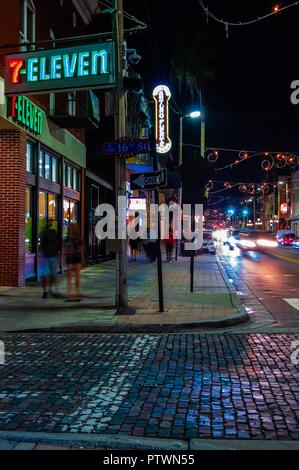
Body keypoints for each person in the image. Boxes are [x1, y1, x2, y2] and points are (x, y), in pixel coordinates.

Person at [40, 219, 61, 299]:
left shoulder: (42, 233)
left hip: (46, 256)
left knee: (45, 275)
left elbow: (41, 245)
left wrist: (43, 251)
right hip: (53, 255)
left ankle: (45, 291)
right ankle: (51, 289)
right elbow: (59, 243)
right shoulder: (54, 232)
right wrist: (58, 251)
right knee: (53, 274)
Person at [65, 224, 84, 301]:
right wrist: (82, 259)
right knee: (77, 277)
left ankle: (70, 292)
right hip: (76, 259)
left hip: (71, 259)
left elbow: (65, 248)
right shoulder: (78, 239)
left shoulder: (68, 239)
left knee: (71, 277)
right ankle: (77, 292)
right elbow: (81, 249)